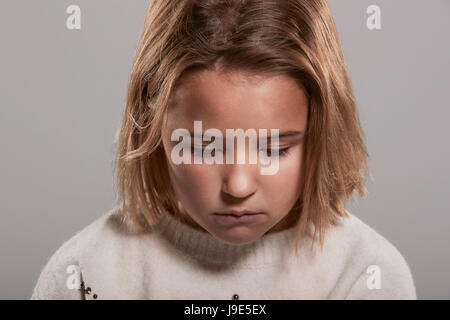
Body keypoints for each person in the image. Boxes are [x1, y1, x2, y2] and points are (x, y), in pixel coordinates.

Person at [31, 0, 416, 299]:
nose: (238, 185)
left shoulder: (366, 274)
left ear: (321, 130)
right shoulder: (85, 275)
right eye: (203, 147)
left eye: (273, 149)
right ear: (151, 124)